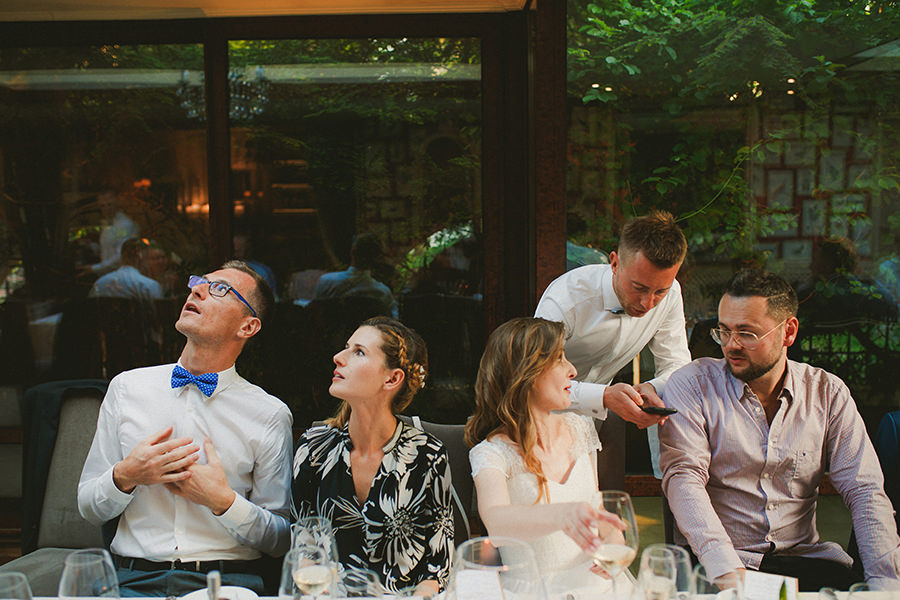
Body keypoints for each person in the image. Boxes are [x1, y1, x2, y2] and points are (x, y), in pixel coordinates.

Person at [659, 269, 900, 591]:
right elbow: (684, 478)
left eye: (747, 333)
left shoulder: (827, 393)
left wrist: (887, 583)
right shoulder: (692, 385)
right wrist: (728, 573)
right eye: (724, 331)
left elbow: (864, 490)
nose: (731, 345)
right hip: (720, 563)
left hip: (804, 562)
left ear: (788, 331)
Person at [78, 260, 292, 597]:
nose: (197, 290)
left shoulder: (269, 414)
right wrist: (127, 475)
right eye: (199, 282)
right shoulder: (126, 388)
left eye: (220, 289)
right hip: (130, 581)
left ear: (248, 326)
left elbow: (280, 539)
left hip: (226, 585)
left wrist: (223, 502)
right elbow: (89, 507)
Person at [292, 317, 452, 597]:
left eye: (359, 352)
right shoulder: (313, 448)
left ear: (392, 379)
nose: (339, 357)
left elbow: (437, 569)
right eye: (346, 347)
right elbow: (304, 549)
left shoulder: (428, 455)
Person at [466, 317, 628, 594]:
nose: (572, 371)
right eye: (559, 359)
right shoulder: (491, 453)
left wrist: (615, 541)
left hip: (599, 588)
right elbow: (497, 523)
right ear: (526, 373)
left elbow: (597, 509)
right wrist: (562, 514)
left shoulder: (581, 428)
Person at [534, 211, 691, 473]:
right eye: (639, 287)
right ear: (615, 263)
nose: (648, 303)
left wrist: (651, 388)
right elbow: (536, 379)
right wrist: (604, 396)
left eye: (660, 291)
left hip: (591, 426)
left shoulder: (672, 294)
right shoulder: (565, 300)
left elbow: (677, 365)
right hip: (534, 422)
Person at [313, 232, 398, 317]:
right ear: (377, 257)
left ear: (353, 250)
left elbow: (316, 313)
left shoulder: (326, 281)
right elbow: (393, 319)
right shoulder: (382, 293)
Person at [89, 238, 164, 301]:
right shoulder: (149, 285)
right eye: (148, 257)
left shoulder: (100, 283)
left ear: (122, 256)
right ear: (140, 257)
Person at [88, 190, 140, 276]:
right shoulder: (108, 224)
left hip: (121, 276)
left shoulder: (125, 225)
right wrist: (92, 246)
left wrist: (94, 268)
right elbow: (107, 250)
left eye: (109, 204)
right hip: (109, 275)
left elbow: (121, 256)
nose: (107, 208)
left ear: (117, 203)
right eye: (103, 205)